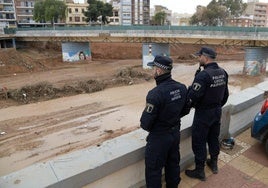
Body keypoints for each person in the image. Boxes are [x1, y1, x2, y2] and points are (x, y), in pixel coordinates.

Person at [140, 55, 190, 188]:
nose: (153, 71)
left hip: (159, 138)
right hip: (175, 134)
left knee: (153, 170)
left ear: (159, 71)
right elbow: (186, 110)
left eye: (154, 68)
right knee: (173, 164)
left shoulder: (155, 94)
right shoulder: (182, 87)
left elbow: (145, 123)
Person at [185, 47, 229, 181]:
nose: (199, 59)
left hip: (204, 113)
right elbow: (225, 95)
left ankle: (200, 171)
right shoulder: (223, 72)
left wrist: (188, 106)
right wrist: (217, 107)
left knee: (199, 141)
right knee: (213, 138)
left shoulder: (203, 75)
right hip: (217, 112)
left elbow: (192, 97)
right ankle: (214, 164)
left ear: (205, 57)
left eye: (199, 57)